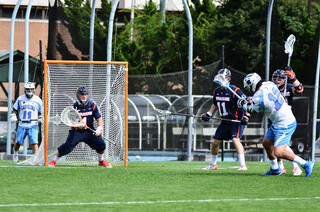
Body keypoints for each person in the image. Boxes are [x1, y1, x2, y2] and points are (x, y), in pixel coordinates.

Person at [241, 73, 314, 177]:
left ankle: (306, 164)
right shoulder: (269, 84)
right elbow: (260, 100)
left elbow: (252, 109)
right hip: (279, 121)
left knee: (279, 152)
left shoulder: (258, 97)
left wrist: (243, 104)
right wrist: (248, 102)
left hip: (285, 123)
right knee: (266, 143)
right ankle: (275, 169)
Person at [49, 86, 112, 168]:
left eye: (85, 94)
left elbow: (99, 118)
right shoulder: (74, 107)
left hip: (89, 131)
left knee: (101, 144)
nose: (84, 96)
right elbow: (70, 121)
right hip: (76, 132)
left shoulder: (92, 105)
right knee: (67, 146)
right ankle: (54, 160)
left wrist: (99, 128)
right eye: (82, 94)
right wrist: (79, 125)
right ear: (78, 95)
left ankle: (101, 160)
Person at [201, 68, 250, 171]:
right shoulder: (217, 91)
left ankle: (243, 165)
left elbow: (248, 103)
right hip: (225, 121)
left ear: (228, 79)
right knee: (215, 141)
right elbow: (215, 104)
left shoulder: (235, 90)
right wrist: (208, 114)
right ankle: (213, 164)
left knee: (235, 140)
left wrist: (246, 116)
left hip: (236, 121)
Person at [272, 67, 304, 175]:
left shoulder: (289, 88)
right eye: (274, 78)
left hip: (286, 120)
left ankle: (296, 166)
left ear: (284, 80)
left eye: (279, 78)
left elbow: (300, 90)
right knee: (276, 144)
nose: (276, 80)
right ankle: (281, 167)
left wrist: (293, 78)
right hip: (275, 119)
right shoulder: (272, 89)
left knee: (282, 145)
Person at [10, 82, 43, 164]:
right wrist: (13, 116)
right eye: (28, 89)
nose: (30, 90)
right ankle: (15, 154)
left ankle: (36, 159)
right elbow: (14, 110)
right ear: (25, 90)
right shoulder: (20, 99)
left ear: (34, 90)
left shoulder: (37, 100)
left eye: (31, 89)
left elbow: (42, 112)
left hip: (33, 124)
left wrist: (41, 117)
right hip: (22, 124)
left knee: (34, 142)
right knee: (18, 142)